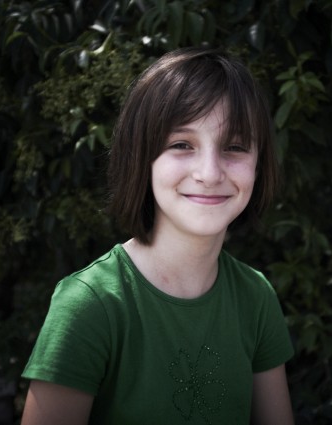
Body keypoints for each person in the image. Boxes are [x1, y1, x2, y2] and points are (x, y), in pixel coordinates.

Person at [20, 47, 295, 425]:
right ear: (141, 158)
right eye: (181, 145)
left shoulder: (256, 297)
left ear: (258, 165)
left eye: (234, 147)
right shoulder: (89, 305)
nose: (209, 173)